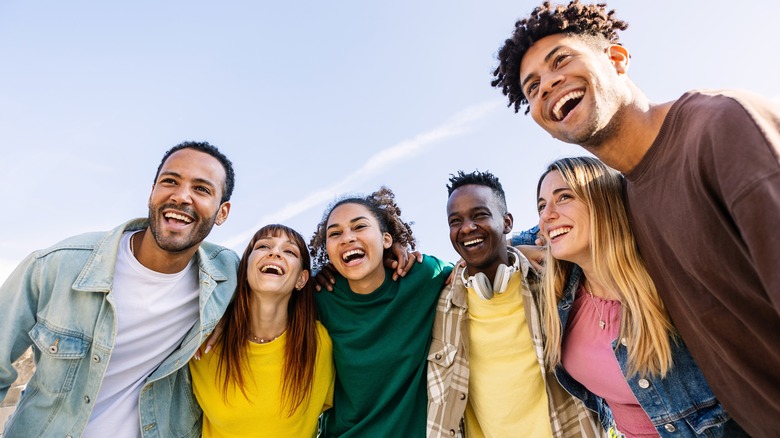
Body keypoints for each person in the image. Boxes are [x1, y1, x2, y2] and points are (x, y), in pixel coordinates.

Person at [492, 2, 780, 435]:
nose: (547, 84)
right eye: (531, 87)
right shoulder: (625, 201)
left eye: (561, 60)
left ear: (616, 58)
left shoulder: (719, 130)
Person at [0, 141, 239, 437]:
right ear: (152, 192)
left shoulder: (227, 277)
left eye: (201, 189)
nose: (181, 196)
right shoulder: (56, 266)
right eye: (170, 181)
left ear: (222, 212)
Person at [536, 156, 745, 437]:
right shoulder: (562, 297)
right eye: (541, 205)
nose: (546, 214)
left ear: (603, 201)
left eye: (563, 197)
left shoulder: (669, 283)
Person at [427, 170, 601, 437]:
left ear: (507, 221)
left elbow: (583, 227)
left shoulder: (552, 281)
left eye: (480, 215)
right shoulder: (441, 303)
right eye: (455, 221)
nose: (467, 227)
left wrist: (516, 246)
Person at [309, 186, 452, 437]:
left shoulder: (423, 275)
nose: (347, 237)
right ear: (328, 251)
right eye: (335, 233)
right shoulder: (319, 298)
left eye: (359, 226)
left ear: (387, 239)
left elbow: (476, 264)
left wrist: (515, 248)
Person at [189, 224, 334, 437]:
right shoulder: (203, 342)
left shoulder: (320, 342)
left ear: (302, 279)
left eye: (289, 251)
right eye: (264, 246)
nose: (274, 252)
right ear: (245, 268)